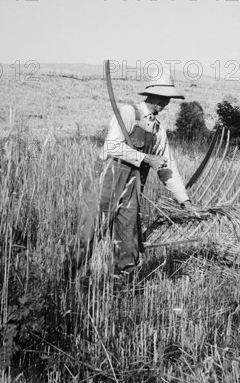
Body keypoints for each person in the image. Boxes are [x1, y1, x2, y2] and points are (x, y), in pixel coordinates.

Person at [76, 68, 198, 276]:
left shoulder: (158, 129)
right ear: (151, 94)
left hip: (133, 187)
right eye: (163, 96)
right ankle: (70, 280)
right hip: (108, 180)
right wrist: (146, 158)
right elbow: (112, 146)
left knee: (128, 239)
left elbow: (167, 166)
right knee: (89, 233)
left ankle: (122, 286)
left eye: (168, 98)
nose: (165, 102)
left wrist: (183, 199)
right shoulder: (128, 112)